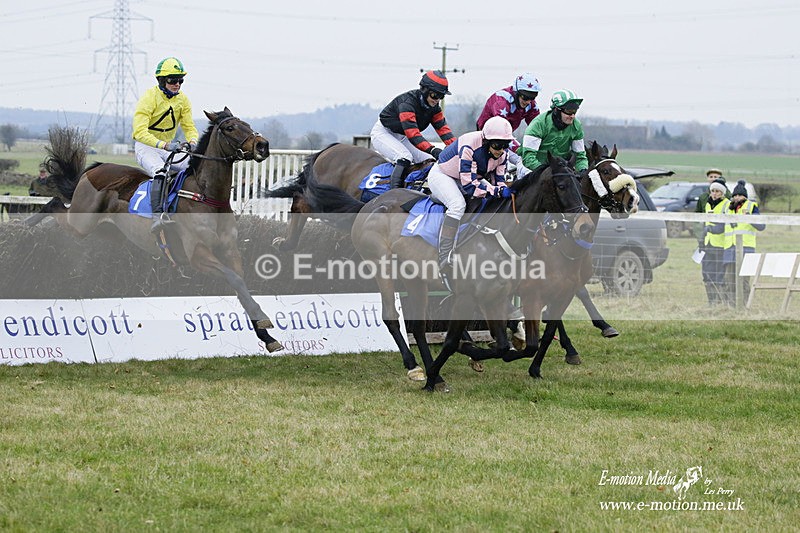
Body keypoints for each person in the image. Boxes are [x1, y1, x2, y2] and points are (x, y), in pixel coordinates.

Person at [426, 116, 514, 271]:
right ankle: (444, 255)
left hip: (470, 177)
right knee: (457, 205)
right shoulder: (469, 145)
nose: (500, 150)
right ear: (486, 141)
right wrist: (496, 190)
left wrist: (502, 189)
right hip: (444, 175)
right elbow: (470, 187)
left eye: (505, 145)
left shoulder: (503, 155)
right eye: (496, 145)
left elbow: (498, 181)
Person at [132, 56, 199, 234]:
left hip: (169, 148)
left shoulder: (183, 100)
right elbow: (139, 132)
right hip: (146, 147)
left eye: (180, 81)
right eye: (173, 80)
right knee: (161, 171)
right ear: (162, 81)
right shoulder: (149, 97)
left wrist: (193, 142)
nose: (177, 84)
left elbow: (189, 127)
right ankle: (157, 216)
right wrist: (164, 145)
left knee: (196, 166)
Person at [370, 70, 457, 189]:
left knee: (430, 161)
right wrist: (433, 149)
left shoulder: (435, 108)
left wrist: (457, 148)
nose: (437, 100)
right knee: (405, 157)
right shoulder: (407, 104)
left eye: (441, 96)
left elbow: (444, 131)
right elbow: (413, 135)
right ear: (425, 90)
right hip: (384, 133)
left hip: (402, 136)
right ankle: (395, 192)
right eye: (435, 95)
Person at [476, 73, 542, 178]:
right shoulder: (501, 101)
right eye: (525, 97)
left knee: (525, 159)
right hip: (487, 138)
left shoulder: (531, 104)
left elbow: (538, 129)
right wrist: (520, 149)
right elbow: (501, 134)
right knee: (519, 155)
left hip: (506, 136)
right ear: (516, 92)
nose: (528, 101)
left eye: (532, 97)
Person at [518, 89, 588, 174]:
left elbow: (580, 156)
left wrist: (583, 170)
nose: (572, 116)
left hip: (560, 169)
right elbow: (528, 158)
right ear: (556, 110)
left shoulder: (576, 125)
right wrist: (547, 172)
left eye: (574, 112)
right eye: (569, 112)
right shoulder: (538, 124)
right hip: (531, 167)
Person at [721, 180, 765, 305]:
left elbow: (761, 226)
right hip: (730, 249)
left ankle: (744, 306)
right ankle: (730, 306)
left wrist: (750, 218)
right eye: (735, 195)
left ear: (745, 196)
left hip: (746, 249)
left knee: (744, 281)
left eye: (739, 195)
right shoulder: (728, 209)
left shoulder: (752, 207)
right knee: (729, 280)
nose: (737, 198)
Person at [701, 178, 730, 305]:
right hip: (708, 244)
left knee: (719, 275)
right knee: (707, 274)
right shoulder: (707, 204)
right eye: (712, 191)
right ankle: (711, 301)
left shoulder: (727, 204)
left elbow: (725, 225)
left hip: (721, 245)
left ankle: (720, 301)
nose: (714, 193)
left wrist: (711, 229)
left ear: (722, 193)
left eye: (717, 191)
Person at [694, 168, 730, 244]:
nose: (713, 179)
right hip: (706, 236)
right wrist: (700, 235)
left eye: (715, 177)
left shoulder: (728, 195)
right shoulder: (703, 197)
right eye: (711, 177)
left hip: (721, 237)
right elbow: (697, 217)